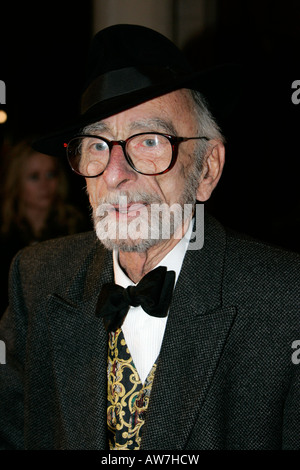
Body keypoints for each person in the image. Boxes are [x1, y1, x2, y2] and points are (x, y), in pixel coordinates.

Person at [0, 24, 299, 451]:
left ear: (207, 169)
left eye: (149, 141)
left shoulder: (286, 302)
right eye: (98, 145)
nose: (116, 173)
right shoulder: (35, 280)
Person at [0, 139, 89, 317]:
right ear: (16, 182)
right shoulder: (5, 235)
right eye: (34, 176)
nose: (45, 185)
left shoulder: (77, 227)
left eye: (50, 175)